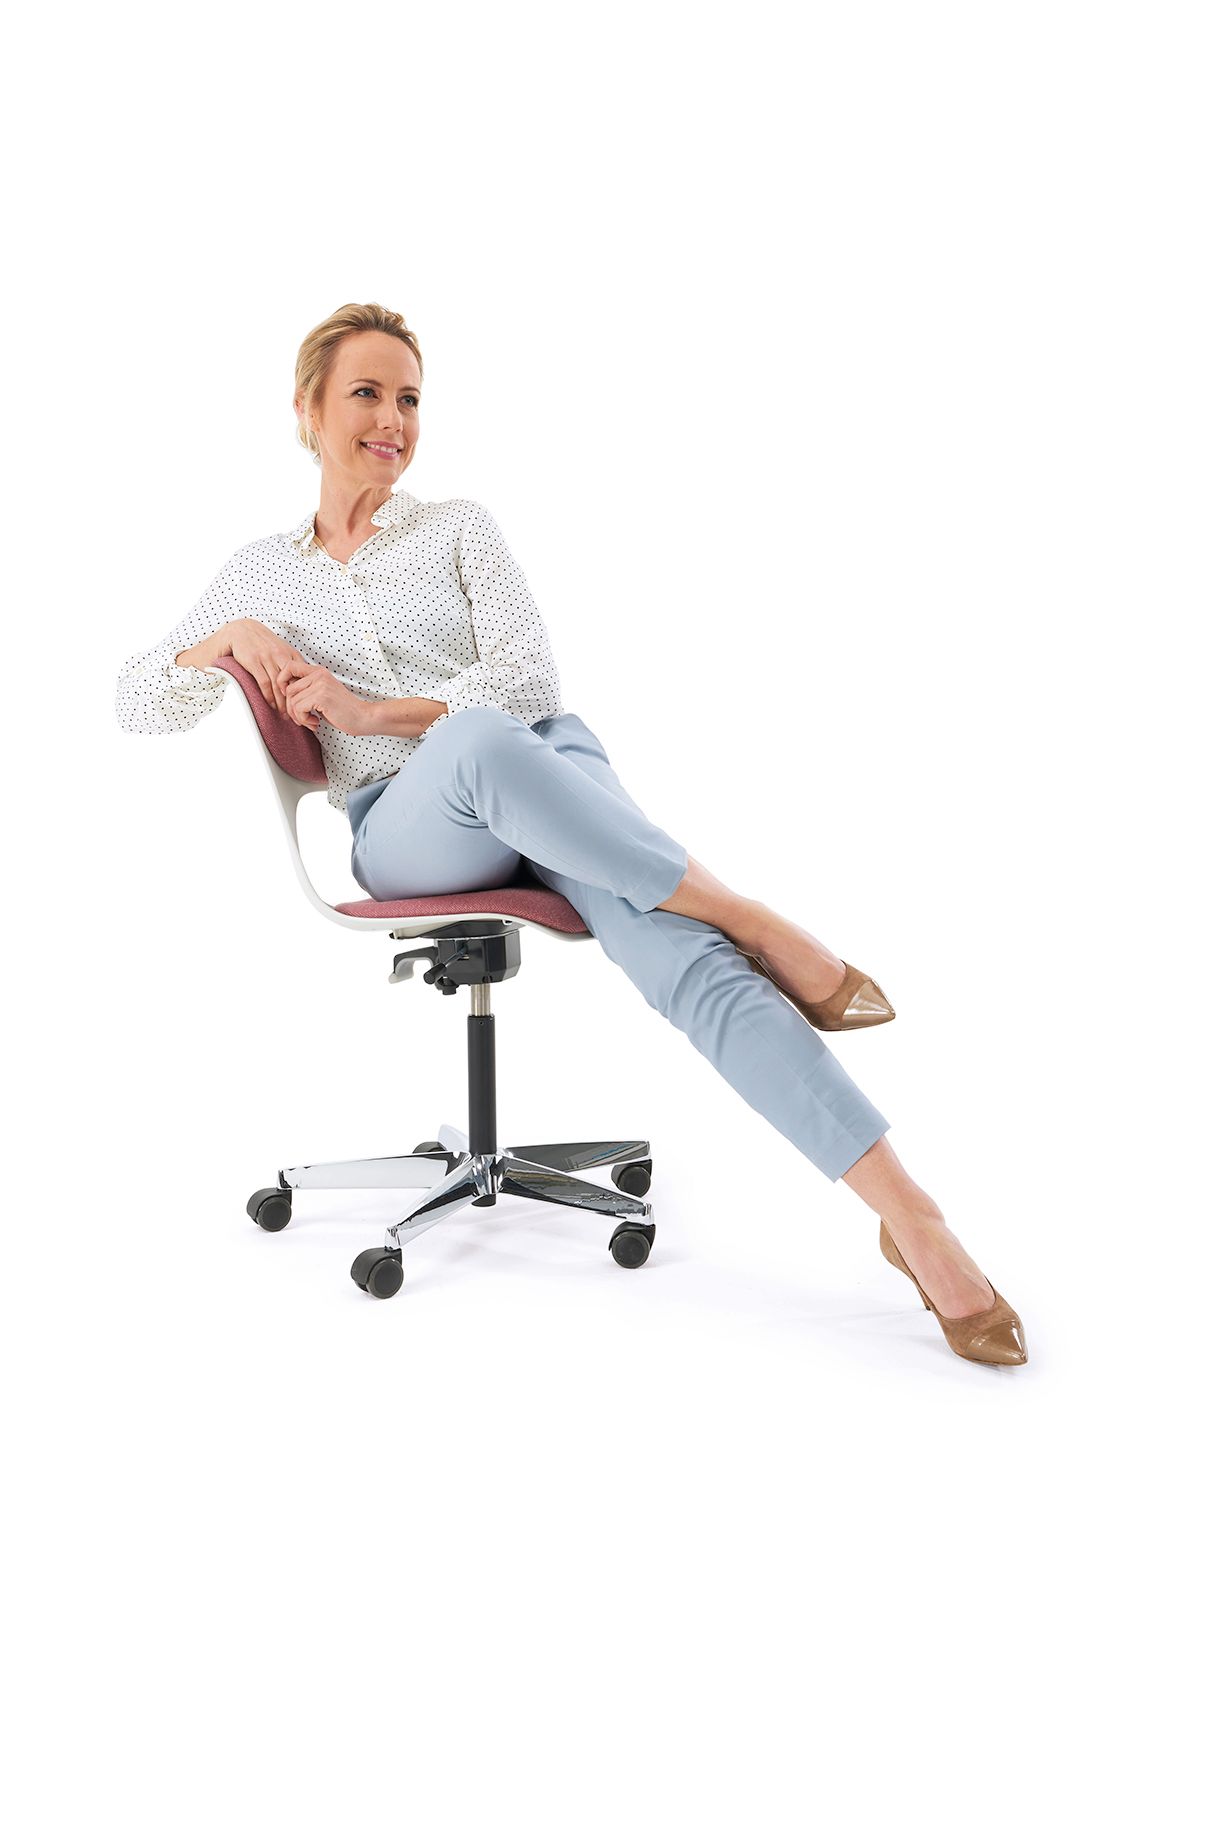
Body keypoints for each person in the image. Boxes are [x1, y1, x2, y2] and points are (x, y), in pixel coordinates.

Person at [115, 301, 1026, 1366]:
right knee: (482, 748)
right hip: (411, 828)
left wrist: (368, 709)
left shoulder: (460, 526)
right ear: (306, 409)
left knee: (685, 955)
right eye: (366, 392)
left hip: (547, 773)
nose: (392, 420)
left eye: (409, 398)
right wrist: (223, 637)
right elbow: (133, 701)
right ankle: (751, 912)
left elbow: (527, 678)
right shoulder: (258, 572)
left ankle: (912, 1220)